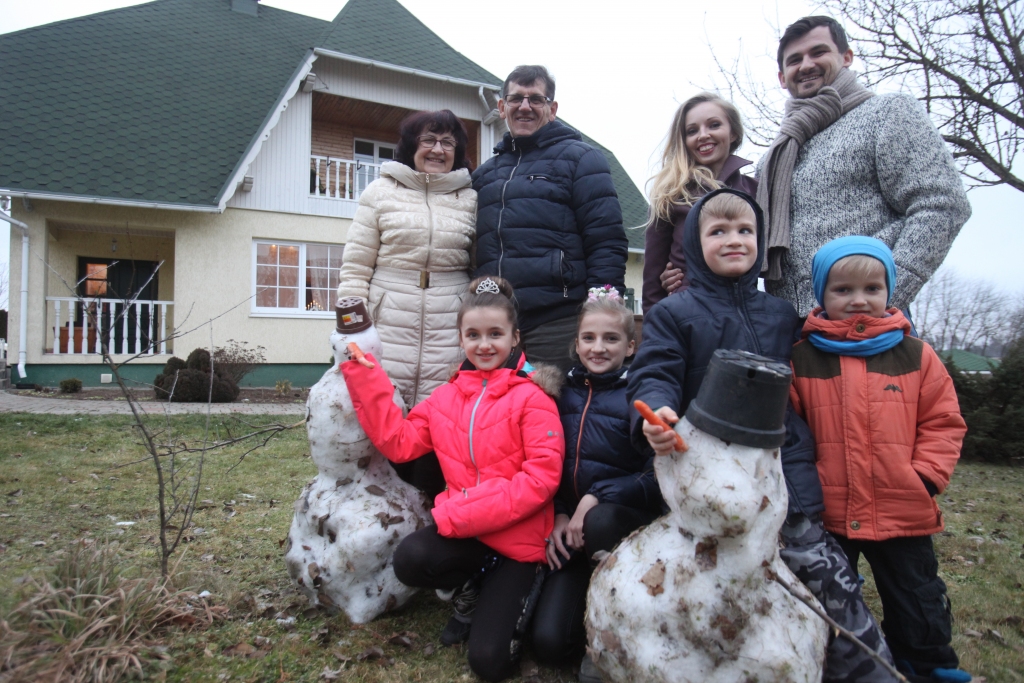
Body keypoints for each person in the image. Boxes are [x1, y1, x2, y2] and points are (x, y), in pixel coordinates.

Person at [627, 188, 899, 683]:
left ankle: (866, 672)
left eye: (745, 230)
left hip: (782, 470)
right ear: (694, 242)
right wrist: (658, 414)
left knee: (822, 576)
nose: (734, 240)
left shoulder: (781, 314)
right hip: (708, 474)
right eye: (718, 231)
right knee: (706, 585)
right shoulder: (674, 313)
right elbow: (655, 371)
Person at [340, 276, 563, 683]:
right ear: (461, 339)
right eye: (473, 334)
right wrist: (364, 374)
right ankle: (470, 587)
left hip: (518, 547)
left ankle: (522, 591)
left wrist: (460, 514)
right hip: (470, 539)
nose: (484, 344)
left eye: (495, 334)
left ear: (515, 338)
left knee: (490, 663)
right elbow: (399, 442)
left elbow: (541, 480)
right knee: (410, 558)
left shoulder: (533, 398)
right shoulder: (445, 398)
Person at [789, 236, 970, 683]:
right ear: (821, 295)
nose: (859, 301)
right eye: (843, 290)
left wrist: (924, 478)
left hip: (901, 504)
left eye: (872, 289)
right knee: (831, 597)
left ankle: (928, 666)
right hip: (831, 510)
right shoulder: (802, 358)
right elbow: (792, 429)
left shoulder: (916, 356)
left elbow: (943, 421)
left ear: (889, 291)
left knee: (918, 596)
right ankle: (839, 666)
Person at [759, 16, 971, 316]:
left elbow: (942, 205)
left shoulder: (887, 113)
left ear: (846, 58)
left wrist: (884, 300)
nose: (806, 65)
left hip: (866, 322)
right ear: (782, 77)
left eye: (818, 52)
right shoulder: (774, 158)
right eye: (794, 60)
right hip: (791, 330)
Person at [530, 287, 662, 683]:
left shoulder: (640, 395)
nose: (598, 348)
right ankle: (576, 613)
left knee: (600, 519)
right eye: (589, 338)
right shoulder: (558, 394)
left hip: (620, 529)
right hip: (568, 530)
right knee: (549, 644)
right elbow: (539, 461)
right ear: (576, 343)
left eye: (611, 338)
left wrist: (595, 496)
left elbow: (657, 475)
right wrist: (557, 512)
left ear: (631, 345)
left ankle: (618, 622)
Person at [473, 65, 628, 373]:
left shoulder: (582, 159)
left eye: (536, 99)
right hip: (498, 325)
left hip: (557, 324)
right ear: (502, 107)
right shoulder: (484, 175)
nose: (525, 106)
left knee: (556, 415)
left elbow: (606, 240)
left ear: (552, 109)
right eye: (516, 98)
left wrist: (602, 308)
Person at [336, 109, 477, 409]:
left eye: (447, 142)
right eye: (429, 140)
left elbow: (478, 263)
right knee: (381, 410)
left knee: (441, 414)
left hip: (449, 322)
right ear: (412, 145)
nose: (437, 149)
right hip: (387, 319)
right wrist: (352, 328)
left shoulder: (470, 198)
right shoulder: (380, 192)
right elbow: (356, 267)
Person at [642, 93, 758, 314]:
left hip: (742, 311)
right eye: (692, 131)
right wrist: (653, 334)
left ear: (733, 132)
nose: (703, 135)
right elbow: (652, 278)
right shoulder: (670, 195)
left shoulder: (755, 191)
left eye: (714, 125)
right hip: (687, 313)